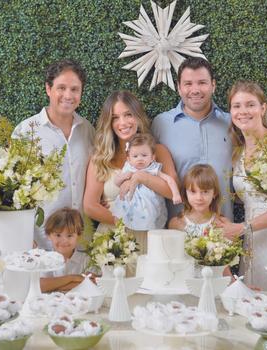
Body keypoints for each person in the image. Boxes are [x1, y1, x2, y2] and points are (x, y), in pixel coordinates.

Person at [13, 59, 95, 250]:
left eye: (75, 89)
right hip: (41, 240)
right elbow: (13, 192)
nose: (68, 95)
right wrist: (23, 237)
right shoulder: (26, 132)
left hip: (81, 240)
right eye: (61, 88)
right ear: (48, 89)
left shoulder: (87, 130)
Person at [83, 90, 178, 254]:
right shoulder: (101, 157)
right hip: (113, 239)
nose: (123, 122)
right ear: (109, 123)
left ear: (138, 116)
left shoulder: (158, 151)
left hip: (150, 238)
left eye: (128, 115)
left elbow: (172, 191)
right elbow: (90, 206)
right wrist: (126, 222)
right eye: (115, 117)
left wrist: (142, 177)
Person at [217, 80, 267, 292]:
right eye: (236, 106)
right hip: (251, 244)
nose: (243, 111)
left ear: (263, 108)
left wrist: (242, 228)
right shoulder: (238, 153)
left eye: (250, 105)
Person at [152, 57, 232, 221]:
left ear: (213, 85)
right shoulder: (161, 124)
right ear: (179, 87)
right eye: (188, 84)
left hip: (224, 229)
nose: (195, 90)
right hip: (178, 227)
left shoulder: (231, 123)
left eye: (202, 82)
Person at [113, 133, 182, 230]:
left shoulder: (153, 168)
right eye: (135, 156)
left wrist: (176, 194)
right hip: (129, 203)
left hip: (150, 203)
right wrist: (124, 176)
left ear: (152, 157)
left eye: (144, 155)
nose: (140, 159)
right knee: (120, 219)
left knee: (150, 220)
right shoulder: (128, 167)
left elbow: (169, 179)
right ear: (129, 159)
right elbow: (116, 182)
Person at [169, 164, 231, 236]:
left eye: (205, 192)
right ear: (185, 193)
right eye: (193, 191)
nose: (199, 198)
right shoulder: (176, 223)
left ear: (214, 193)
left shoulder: (223, 224)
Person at [40, 208, 92, 292]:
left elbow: (92, 283)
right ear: (48, 235)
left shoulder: (86, 260)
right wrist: (72, 278)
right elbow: (40, 285)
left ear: (79, 235)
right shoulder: (44, 259)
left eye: (69, 235)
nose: (64, 241)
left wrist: (52, 286)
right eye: (58, 235)